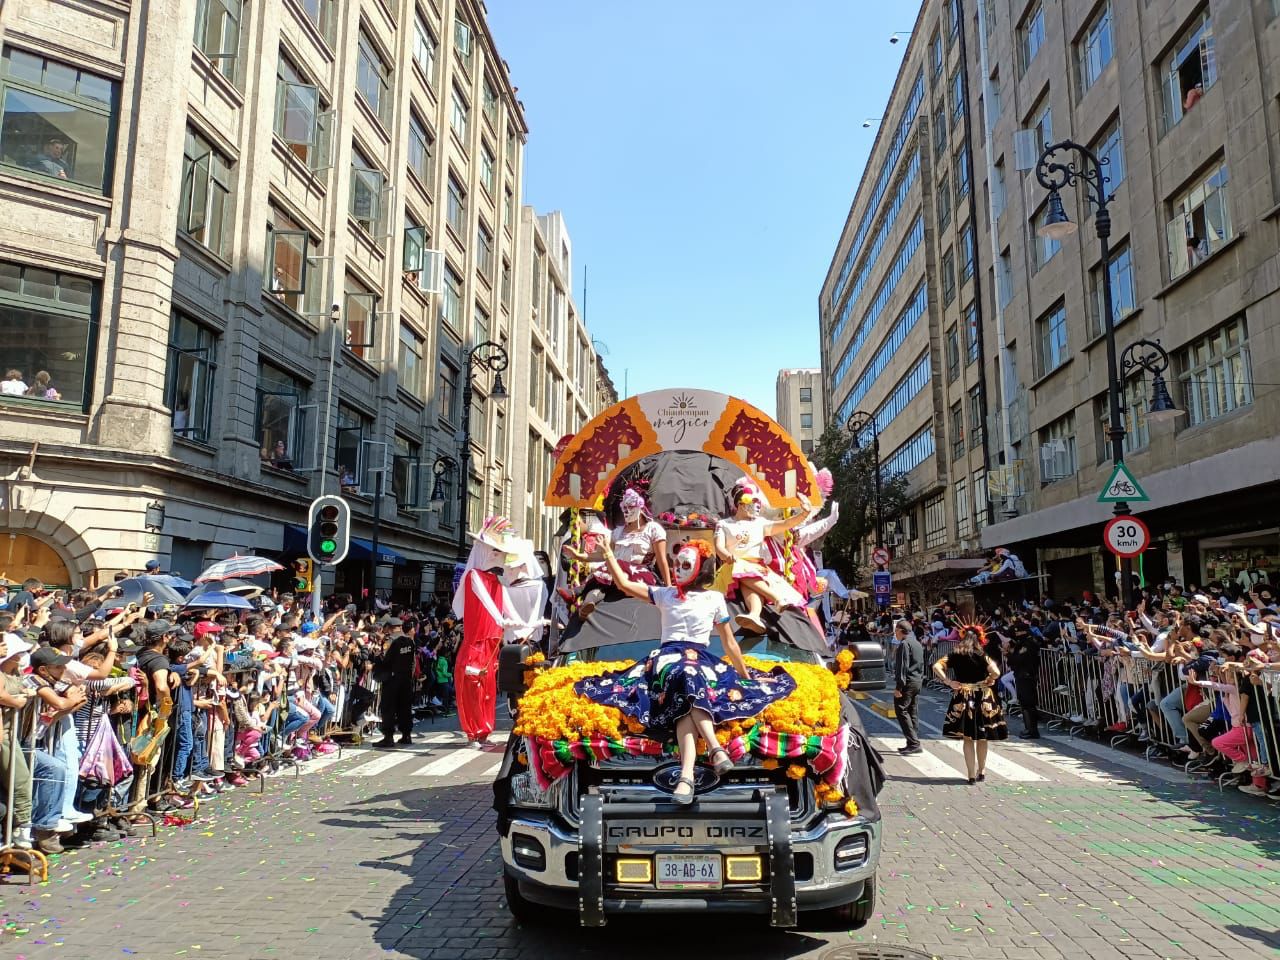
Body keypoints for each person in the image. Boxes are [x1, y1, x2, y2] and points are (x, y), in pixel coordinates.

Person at [575, 539, 797, 803]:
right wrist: (609, 554)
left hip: (699, 661)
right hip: (667, 660)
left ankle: (686, 777)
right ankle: (715, 747)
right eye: (677, 564)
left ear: (701, 569)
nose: (678, 569)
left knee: (687, 695)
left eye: (685, 565)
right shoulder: (665, 594)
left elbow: (729, 642)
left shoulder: (715, 599)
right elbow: (623, 584)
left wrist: (745, 677)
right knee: (686, 676)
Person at [713, 479, 817, 634]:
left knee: (747, 582)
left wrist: (804, 514)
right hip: (733, 566)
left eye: (758, 503)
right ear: (740, 504)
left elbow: (786, 524)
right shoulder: (724, 524)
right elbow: (718, 546)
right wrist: (727, 556)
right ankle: (776, 598)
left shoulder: (760, 523)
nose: (757, 506)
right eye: (753, 502)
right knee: (740, 570)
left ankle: (754, 615)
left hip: (757, 568)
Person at [933, 626, 1007, 783]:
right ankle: (982, 771)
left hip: (963, 696)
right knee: (982, 737)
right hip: (982, 696)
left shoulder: (955, 654)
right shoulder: (981, 654)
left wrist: (948, 681)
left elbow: (936, 666)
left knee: (968, 737)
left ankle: (971, 774)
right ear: (979, 639)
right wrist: (989, 679)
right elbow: (996, 672)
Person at [373, 618, 416, 747]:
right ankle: (406, 734)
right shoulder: (409, 640)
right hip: (406, 678)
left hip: (392, 678)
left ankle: (388, 737)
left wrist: (377, 655)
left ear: (389, 627)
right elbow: (413, 661)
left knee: (388, 707)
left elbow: (385, 659)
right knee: (405, 707)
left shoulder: (390, 641)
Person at [1006, 621, 1042, 739]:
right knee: (1024, 703)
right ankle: (1028, 728)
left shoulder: (1029, 643)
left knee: (1028, 703)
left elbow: (1018, 659)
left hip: (1027, 675)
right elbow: (1013, 660)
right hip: (1021, 675)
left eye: (1018, 632)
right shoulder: (1022, 643)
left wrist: (1011, 655)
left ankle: (1032, 730)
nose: (1017, 635)